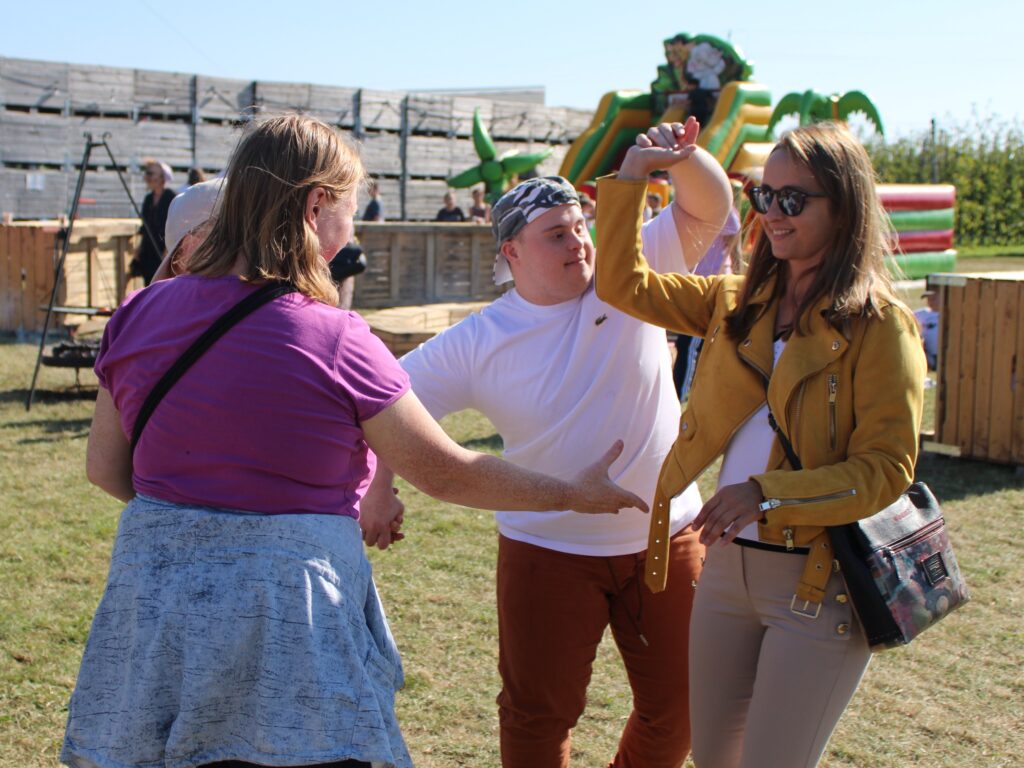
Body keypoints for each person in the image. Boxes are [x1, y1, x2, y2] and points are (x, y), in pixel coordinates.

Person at [61, 115, 647, 768]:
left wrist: (200, 519)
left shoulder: (138, 312)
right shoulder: (335, 336)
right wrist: (571, 493)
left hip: (152, 614)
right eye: (349, 207)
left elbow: (105, 468)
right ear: (317, 206)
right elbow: (444, 471)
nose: (354, 226)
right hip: (289, 624)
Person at [361, 157, 732, 765]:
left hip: (667, 539)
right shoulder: (480, 340)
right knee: (537, 716)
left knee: (682, 707)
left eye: (580, 226)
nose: (578, 242)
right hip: (547, 549)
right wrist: (381, 488)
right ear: (512, 251)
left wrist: (684, 158)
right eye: (556, 234)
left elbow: (708, 209)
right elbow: (385, 400)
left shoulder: (627, 274)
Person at [594, 119, 927, 768]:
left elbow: (886, 470)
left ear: (844, 206)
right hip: (724, 573)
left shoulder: (880, 326)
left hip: (817, 579)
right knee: (714, 758)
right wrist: (633, 174)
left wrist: (765, 494)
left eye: (793, 198)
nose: (773, 212)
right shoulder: (736, 301)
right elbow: (622, 285)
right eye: (763, 195)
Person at [672, 206, 741, 399]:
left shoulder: (725, 210)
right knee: (690, 345)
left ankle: (682, 395)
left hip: (713, 283)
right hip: (695, 281)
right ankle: (687, 393)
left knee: (691, 345)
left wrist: (737, 275)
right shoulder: (689, 206)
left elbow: (734, 246)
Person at [129, 159, 176, 285]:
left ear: (161, 178)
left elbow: (174, 225)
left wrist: (168, 250)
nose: (148, 177)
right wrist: (139, 247)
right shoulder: (148, 199)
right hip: (148, 249)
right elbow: (145, 226)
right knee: (148, 283)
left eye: (151, 174)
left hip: (163, 250)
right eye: (147, 173)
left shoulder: (171, 197)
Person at [915, 289, 940, 370]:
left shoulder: (948, 313)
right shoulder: (922, 313)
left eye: (933, 299)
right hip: (928, 352)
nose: (931, 301)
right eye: (929, 299)